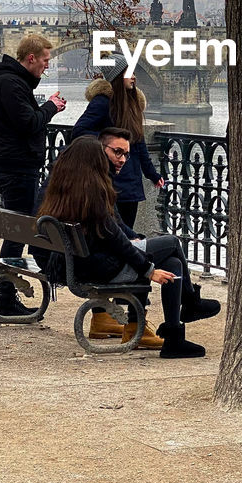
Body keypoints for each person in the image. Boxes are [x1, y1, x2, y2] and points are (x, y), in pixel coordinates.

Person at [40, 136, 215, 358]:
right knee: (171, 243)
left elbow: (113, 235)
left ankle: (174, 338)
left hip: (77, 264)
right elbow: (117, 242)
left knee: (171, 262)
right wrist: (148, 269)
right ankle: (190, 302)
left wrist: (139, 248)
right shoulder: (93, 194)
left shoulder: (62, 189)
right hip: (100, 268)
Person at [0, 33, 66, 315]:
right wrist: (51, 108)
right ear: (30, 58)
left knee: (19, 228)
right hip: (16, 167)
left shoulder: (14, 83)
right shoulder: (10, 84)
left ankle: (6, 294)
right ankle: (5, 297)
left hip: (18, 165)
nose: (47, 65)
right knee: (18, 229)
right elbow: (28, 123)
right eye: (45, 60)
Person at [70, 53, 164, 229]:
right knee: (113, 232)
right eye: (129, 72)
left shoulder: (132, 103)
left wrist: (152, 174)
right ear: (118, 76)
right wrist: (107, 146)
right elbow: (79, 131)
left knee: (127, 229)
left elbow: (139, 142)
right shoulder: (103, 102)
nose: (134, 76)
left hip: (131, 182)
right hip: (110, 179)